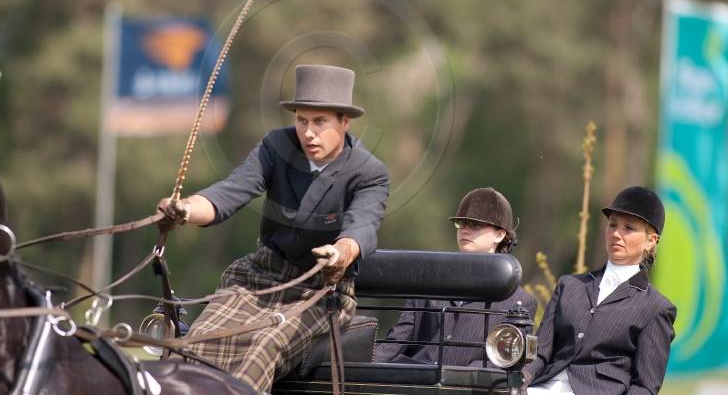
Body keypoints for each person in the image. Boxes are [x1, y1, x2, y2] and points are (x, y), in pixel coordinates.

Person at [157, 64, 390, 392]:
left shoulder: (368, 173)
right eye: (302, 121)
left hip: (320, 291)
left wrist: (340, 254)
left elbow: (362, 227)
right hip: (259, 278)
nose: (308, 133)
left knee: (263, 346)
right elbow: (231, 191)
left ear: (344, 122)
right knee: (197, 340)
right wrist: (185, 209)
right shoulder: (276, 146)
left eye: (320, 122)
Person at [524, 186, 676, 395]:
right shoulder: (569, 285)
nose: (616, 234)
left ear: (651, 241)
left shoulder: (656, 308)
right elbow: (539, 352)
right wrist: (519, 381)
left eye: (629, 228)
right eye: (612, 225)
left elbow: (644, 387)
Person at [376, 187, 537, 366]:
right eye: (461, 224)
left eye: (475, 225)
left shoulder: (519, 303)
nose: (465, 230)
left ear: (499, 235)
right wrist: (362, 367)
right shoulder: (428, 281)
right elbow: (398, 339)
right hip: (416, 376)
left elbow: (504, 362)